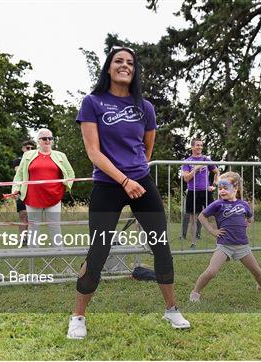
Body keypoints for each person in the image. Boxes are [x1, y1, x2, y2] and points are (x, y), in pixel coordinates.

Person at [67, 45, 190, 339]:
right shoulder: (92, 102)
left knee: (161, 245)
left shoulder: (144, 107)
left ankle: (171, 309)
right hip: (109, 186)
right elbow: (94, 153)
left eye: (130, 63)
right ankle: (78, 316)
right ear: (108, 67)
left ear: (134, 71)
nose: (125, 65)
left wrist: (136, 175)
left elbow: (146, 150)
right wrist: (123, 179)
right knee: (99, 250)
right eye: (118, 61)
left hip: (141, 184)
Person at [189, 171, 261, 302]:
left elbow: (250, 218)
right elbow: (201, 216)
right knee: (211, 272)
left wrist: (248, 223)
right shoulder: (218, 204)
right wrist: (212, 230)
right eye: (220, 188)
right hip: (224, 245)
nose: (222, 191)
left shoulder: (243, 204)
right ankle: (195, 293)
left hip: (242, 245)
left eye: (225, 188)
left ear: (235, 188)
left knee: (257, 271)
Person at [11, 129, 74, 248]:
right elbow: (19, 175)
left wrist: (65, 187)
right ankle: (33, 253)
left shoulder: (61, 156)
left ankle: (59, 251)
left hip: (54, 196)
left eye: (50, 138)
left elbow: (71, 174)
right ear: (38, 141)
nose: (48, 141)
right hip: (32, 197)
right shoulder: (28, 155)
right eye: (45, 138)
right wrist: (15, 188)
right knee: (34, 226)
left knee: (54, 225)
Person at [181, 138, 219, 248]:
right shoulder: (187, 161)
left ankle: (219, 241)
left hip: (206, 191)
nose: (200, 147)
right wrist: (196, 168)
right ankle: (193, 243)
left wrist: (214, 185)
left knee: (214, 215)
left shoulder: (206, 159)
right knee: (193, 219)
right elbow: (186, 179)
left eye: (201, 145)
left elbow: (216, 172)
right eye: (197, 145)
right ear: (192, 147)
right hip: (193, 192)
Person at [12, 140, 36, 246]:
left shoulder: (36, 160)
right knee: (22, 215)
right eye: (27, 148)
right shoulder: (18, 160)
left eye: (31, 148)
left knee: (32, 217)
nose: (29, 150)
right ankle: (23, 238)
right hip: (21, 191)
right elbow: (18, 171)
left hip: (34, 192)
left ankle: (32, 238)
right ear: (23, 149)